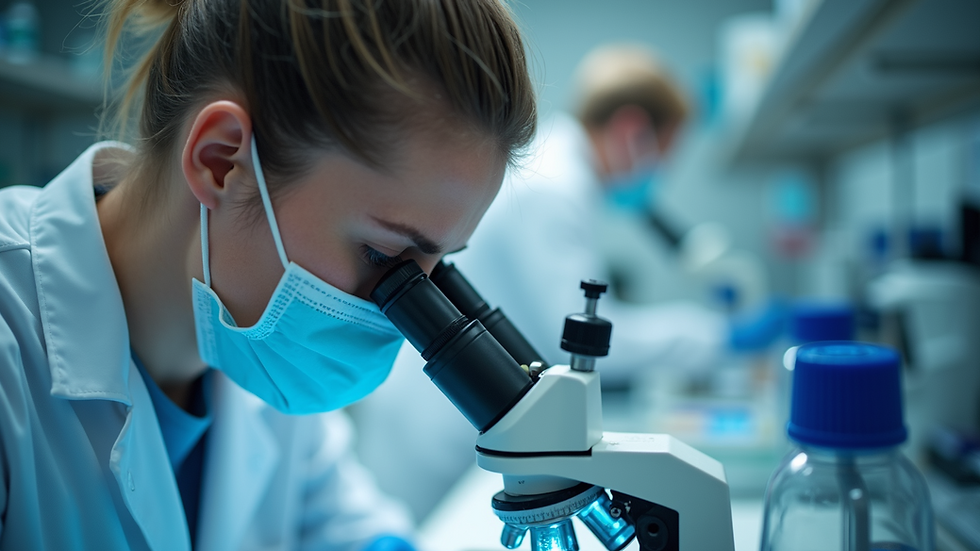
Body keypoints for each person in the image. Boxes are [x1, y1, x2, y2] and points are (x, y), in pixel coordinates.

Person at [0, 0, 536, 548]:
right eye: (381, 255)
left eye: (436, 270)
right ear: (220, 160)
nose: (401, 318)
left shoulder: (257, 349)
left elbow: (351, 531)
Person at [352, 43, 740, 522]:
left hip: (461, 408)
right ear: (632, 131)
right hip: (438, 424)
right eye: (661, 157)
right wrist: (718, 336)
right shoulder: (553, 188)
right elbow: (581, 339)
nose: (657, 175)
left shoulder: (559, 174)